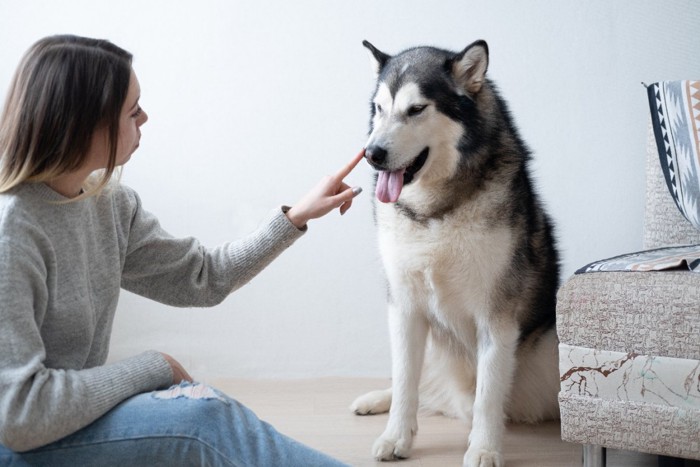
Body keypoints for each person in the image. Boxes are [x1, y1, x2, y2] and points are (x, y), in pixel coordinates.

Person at [0, 34, 363, 466]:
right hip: (17, 443)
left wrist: (295, 216)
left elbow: (202, 278)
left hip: (65, 425)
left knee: (200, 410)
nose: (146, 117)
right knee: (199, 420)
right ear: (86, 123)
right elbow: (20, 414)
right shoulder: (13, 232)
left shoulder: (108, 204)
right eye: (133, 111)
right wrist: (155, 367)